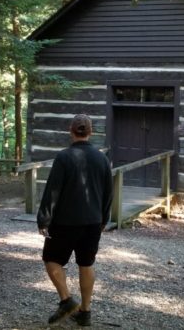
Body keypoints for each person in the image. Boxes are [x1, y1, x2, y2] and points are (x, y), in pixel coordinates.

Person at [37, 114, 113, 326]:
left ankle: (67, 301)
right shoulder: (102, 159)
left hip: (65, 222)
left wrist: (44, 219)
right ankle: (85, 312)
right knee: (86, 264)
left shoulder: (63, 157)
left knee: (52, 259)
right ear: (90, 132)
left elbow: (53, 191)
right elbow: (109, 193)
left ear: (71, 131)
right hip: (92, 222)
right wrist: (104, 219)